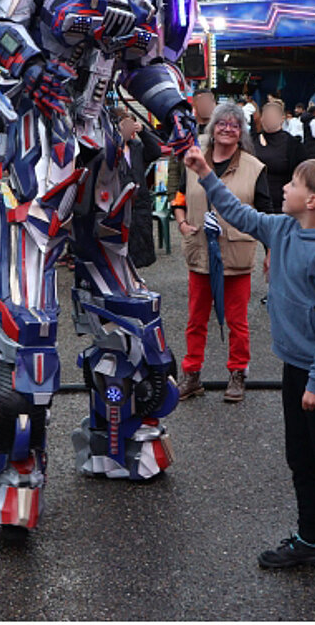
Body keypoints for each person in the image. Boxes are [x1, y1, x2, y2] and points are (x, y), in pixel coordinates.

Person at [183, 146, 315, 597]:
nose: (284, 188)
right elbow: (239, 212)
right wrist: (206, 173)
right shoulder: (283, 228)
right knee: (301, 460)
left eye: (292, 184)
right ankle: (310, 541)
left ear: (312, 201)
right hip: (296, 369)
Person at [173, 102, 271, 404]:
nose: (227, 129)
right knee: (195, 319)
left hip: (236, 254)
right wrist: (181, 223)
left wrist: (271, 252)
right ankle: (191, 374)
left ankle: (238, 372)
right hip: (200, 251)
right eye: (221, 124)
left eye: (234, 124)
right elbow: (178, 195)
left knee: (238, 321)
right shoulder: (192, 159)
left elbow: (266, 213)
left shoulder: (255, 168)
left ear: (242, 132)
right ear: (212, 128)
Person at [117, 106, 164, 270]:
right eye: (125, 125)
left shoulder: (136, 146)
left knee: (141, 244)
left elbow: (155, 152)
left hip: (140, 202)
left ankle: (135, 279)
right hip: (120, 202)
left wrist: (143, 131)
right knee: (120, 246)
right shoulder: (111, 149)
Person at [253, 98, 306, 214]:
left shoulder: (293, 144)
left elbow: (302, 176)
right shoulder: (252, 141)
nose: (268, 119)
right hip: (255, 205)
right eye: (266, 116)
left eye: (272, 116)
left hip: (282, 205)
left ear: (282, 119)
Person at [166, 87, 216, 207]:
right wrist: (173, 199)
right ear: (194, 105)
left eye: (210, 101)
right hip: (190, 197)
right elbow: (174, 169)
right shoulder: (184, 133)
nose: (207, 105)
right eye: (202, 102)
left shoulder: (222, 132)